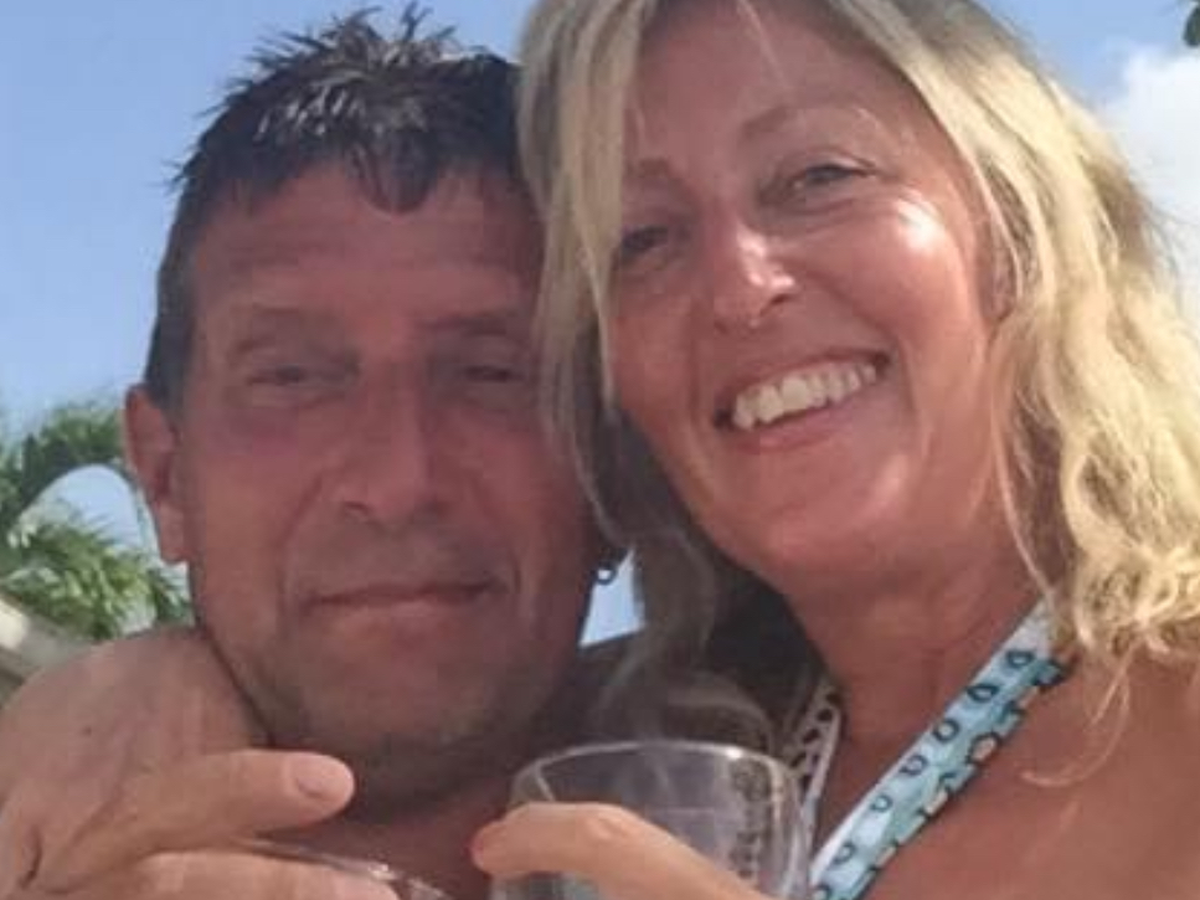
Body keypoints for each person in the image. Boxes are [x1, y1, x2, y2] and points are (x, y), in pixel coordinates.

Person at [467, 0, 1200, 898]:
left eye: (819, 177)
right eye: (643, 239)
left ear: (1017, 224)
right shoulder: (614, 752)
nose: (739, 288)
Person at [0, 10, 609, 900]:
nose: (398, 481)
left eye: (490, 372)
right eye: (291, 378)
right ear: (164, 476)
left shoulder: (784, 822)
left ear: (613, 463)